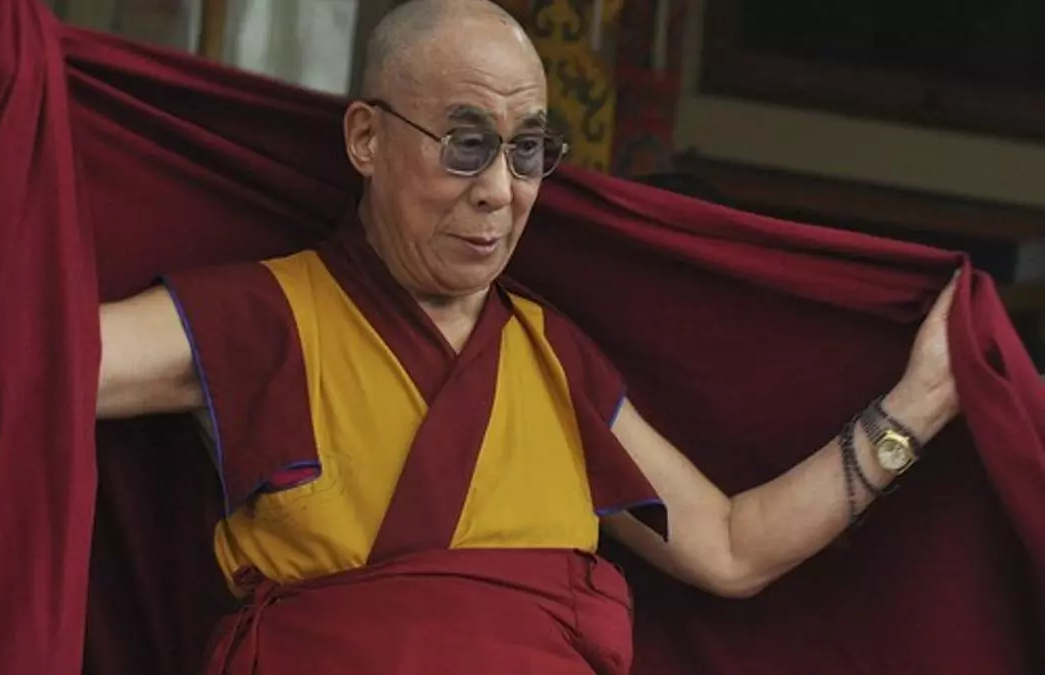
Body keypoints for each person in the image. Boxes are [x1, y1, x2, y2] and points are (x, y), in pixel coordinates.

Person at [91, 1, 960, 671]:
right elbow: (46, 363)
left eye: (529, 150)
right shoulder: (264, 316)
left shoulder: (552, 357)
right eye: (466, 144)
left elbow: (731, 545)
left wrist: (917, 407)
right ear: (366, 137)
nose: (501, 191)